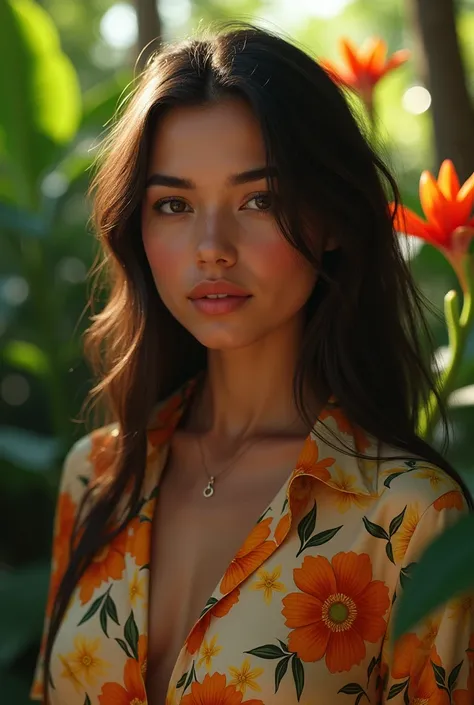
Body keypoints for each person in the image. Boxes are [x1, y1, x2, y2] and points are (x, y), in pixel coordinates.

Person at [31, 20, 474, 705]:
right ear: (136, 229)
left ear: (330, 219)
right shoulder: (95, 478)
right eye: (173, 204)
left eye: (258, 199)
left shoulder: (410, 518)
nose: (212, 245)